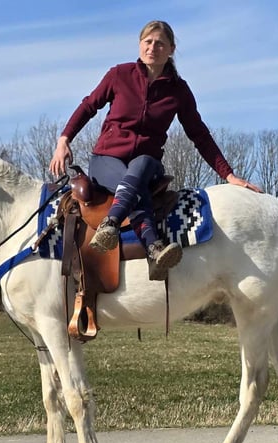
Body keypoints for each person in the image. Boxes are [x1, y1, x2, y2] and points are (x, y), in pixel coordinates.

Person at [49, 20, 261, 280]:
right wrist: (64, 139)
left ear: (171, 49)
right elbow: (88, 106)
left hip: (146, 163)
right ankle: (153, 246)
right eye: (148, 42)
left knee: (143, 165)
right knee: (135, 187)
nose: (153, 47)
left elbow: (199, 134)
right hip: (107, 160)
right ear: (140, 45)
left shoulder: (178, 91)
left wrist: (228, 175)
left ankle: (111, 223)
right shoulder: (119, 75)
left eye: (159, 43)